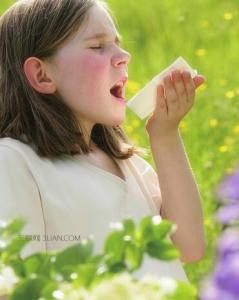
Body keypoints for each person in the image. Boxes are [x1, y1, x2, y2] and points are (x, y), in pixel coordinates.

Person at [0, 0, 205, 282]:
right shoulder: (14, 161)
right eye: (97, 46)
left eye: (118, 43)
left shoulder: (128, 162)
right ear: (42, 74)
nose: (124, 55)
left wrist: (165, 134)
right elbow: (17, 284)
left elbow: (189, 246)